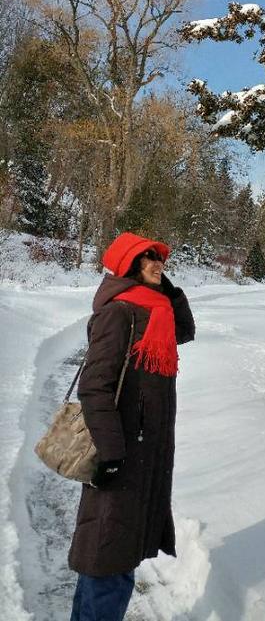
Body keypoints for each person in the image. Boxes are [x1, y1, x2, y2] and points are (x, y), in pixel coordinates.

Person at [68, 231, 195, 621]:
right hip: (121, 452)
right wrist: (109, 453)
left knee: (110, 556)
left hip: (144, 453)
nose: (157, 264)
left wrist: (171, 293)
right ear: (129, 266)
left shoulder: (155, 310)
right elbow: (94, 386)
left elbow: (185, 332)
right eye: (147, 259)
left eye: (159, 259)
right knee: (110, 559)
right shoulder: (118, 312)